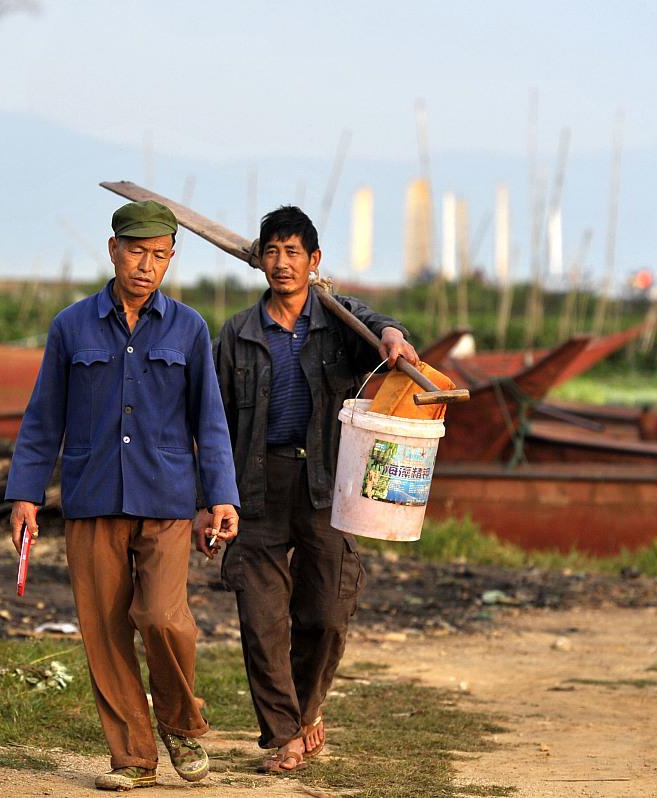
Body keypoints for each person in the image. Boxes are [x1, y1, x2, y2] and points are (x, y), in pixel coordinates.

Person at [5, 200, 240, 791]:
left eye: (160, 255)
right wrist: (26, 494)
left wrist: (222, 498)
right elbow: (42, 418)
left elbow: (208, 421)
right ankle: (133, 757)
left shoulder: (188, 329)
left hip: (166, 500)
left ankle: (182, 722)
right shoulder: (71, 326)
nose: (147, 265)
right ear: (113, 250)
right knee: (105, 634)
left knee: (164, 619)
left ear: (170, 259)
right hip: (91, 496)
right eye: (137, 252)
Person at [209, 205, 418, 773]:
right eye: (272, 251)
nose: (281, 263)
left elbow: (378, 330)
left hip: (328, 483)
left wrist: (393, 333)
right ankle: (283, 735)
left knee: (327, 611)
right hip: (256, 482)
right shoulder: (237, 333)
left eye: (293, 252)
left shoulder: (337, 328)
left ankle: (307, 709)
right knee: (261, 616)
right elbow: (216, 418)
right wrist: (213, 496)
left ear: (314, 261)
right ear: (260, 259)